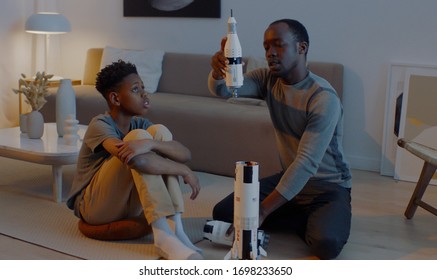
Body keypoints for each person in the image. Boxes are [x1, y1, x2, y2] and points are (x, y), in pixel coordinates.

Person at [208, 19, 352, 259]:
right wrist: (218, 72)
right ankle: (301, 215)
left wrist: (263, 211)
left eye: (278, 45)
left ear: (301, 48)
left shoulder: (323, 98)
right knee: (223, 213)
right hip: (290, 179)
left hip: (327, 186)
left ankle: (315, 215)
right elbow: (226, 91)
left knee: (326, 243)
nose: (270, 53)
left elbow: (306, 162)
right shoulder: (267, 79)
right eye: (266, 47)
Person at [66, 60, 203, 260]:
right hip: (94, 207)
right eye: (136, 89)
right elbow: (136, 161)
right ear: (115, 98)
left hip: (126, 204)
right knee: (137, 138)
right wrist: (183, 170)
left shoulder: (140, 123)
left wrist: (152, 145)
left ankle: (176, 228)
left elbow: (185, 154)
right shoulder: (100, 124)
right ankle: (163, 236)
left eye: (143, 88)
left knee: (159, 132)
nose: (144, 95)